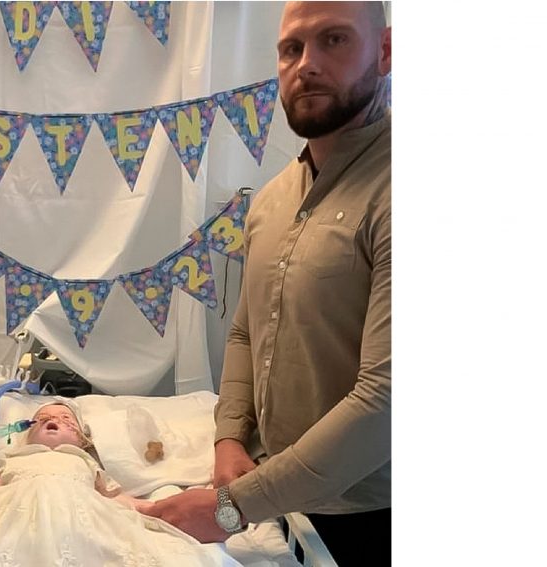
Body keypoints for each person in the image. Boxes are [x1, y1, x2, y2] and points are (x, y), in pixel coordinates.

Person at [145, 2, 392, 565]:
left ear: (384, 52)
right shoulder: (272, 199)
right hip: (273, 497)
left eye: (334, 40)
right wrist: (230, 437)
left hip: (370, 516)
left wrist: (231, 508)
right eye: (291, 49)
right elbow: (246, 331)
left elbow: (387, 398)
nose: (307, 65)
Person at [0, 400, 243, 567]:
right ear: (26, 432)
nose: (54, 420)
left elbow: (113, 499)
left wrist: (150, 508)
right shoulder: (14, 459)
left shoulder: (83, 461)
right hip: (17, 515)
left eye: (67, 420)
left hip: (79, 513)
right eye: (43, 418)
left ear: (82, 439)